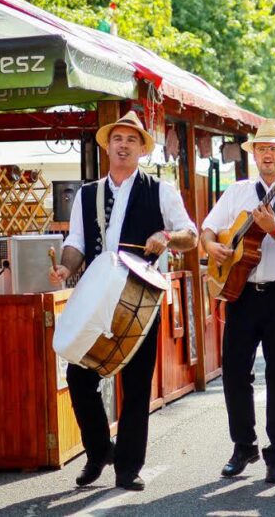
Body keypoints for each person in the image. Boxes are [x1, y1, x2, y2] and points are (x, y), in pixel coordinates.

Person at [48, 111, 197, 491]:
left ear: (142, 149)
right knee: (80, 376)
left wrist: (166, 236)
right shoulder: (87, 194)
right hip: (98, 300)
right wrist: (65, 271)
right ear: (108, 145)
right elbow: (76, 244)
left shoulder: (160, 190)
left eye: (132, 140)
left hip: (140, 300)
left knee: (136, 384)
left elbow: (190, 235)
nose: (124, 145)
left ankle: (128, 468)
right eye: (118, 138)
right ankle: (99, 452)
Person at [200, 119, 275, 484]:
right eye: (261, 149)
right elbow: (208, 227)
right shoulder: (236, 192)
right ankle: (244, 446)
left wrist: (274, 229)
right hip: (241, 293)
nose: (267, 154)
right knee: (234, 373)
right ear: (254, 155)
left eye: (274, 149)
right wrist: (211, 246)